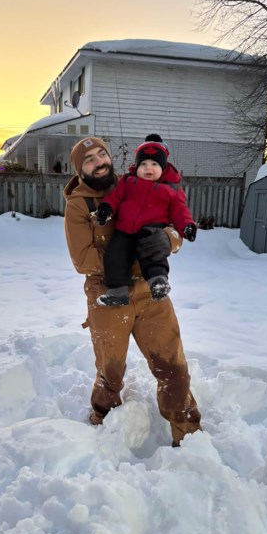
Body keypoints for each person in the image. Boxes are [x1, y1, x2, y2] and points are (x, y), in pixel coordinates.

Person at [63, 136, 203, 447]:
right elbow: (82, 259)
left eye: (102, 154)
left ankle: (190, 438)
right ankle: (104, 425)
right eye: (89, 160)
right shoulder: (78, 204)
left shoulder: (137, 181)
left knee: (173, 368)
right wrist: (131, 260)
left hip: (149, 290)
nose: (99, 162)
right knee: (110, 372)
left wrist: (170, 240)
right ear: (80, 169)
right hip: (107, 293)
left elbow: (174, 222)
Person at [94, 135, 197, 306]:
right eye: (144, 164)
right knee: (115, 253)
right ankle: (118, 291)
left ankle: (158, 282)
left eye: (154, 164)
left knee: (155, 248)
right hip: (125, 230)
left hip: (152, 229)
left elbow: (180, 211)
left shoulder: (170, 189)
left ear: (163, 168)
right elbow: (115, 197)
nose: (148, 168)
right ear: (137, 166)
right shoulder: (128, 181)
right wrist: (106, 208)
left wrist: (187, 225)